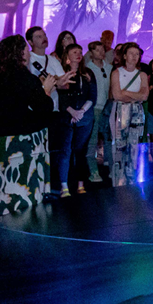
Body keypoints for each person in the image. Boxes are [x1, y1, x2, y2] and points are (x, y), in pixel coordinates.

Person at [0, 36, 56, 215]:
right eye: (26, 49)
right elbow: (43, 107)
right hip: (21, 142)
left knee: (2, 183)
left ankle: (1, 213)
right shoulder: (23, 77)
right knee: (24, 186)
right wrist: (46, 90)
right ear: (20, 53)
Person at [26, 26, 73, 193]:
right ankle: (35, 186)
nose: (44, 38)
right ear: (30, 42)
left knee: (53, 150)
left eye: (44, 35)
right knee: (37, 149)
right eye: (39, 36)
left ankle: (50, 186)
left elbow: (65, 84)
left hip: (53, 111)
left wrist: (59, 83)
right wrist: (45, 84)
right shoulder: (28, 59)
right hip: (34, 112)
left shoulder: (52, 60)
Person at [56, 43, 97, 195]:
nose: (79, 54)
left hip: (84, 116)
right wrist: (72, 111)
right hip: (66, 116)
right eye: (74, 52)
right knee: (65, 151)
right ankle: (64, 186)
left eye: (80, 52)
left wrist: (80, 112)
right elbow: (60, 96)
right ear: (67, 55)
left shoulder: (88, 73)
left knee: (80, 151)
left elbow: (93, 95)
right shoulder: (60, 73)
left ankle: (80, 184)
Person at [109, 42, 148, 186]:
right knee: (119, 145)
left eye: (137, 54)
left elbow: (144, 96)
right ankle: (118, 179)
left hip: (137, 112)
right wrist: (134, 96)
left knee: (134, 145)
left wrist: (126, 93)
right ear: (124, 56)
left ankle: (132, 178)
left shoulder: (142, 74)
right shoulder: (117, 72)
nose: (134, 57)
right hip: (120, 110)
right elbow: (117, 95)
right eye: (131, 54)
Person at [85, 41, 112, 183]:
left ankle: (111, 168)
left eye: (103, 50)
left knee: (109, 138)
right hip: (94, 107)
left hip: (109, 107)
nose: (101, 53)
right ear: (91, 52)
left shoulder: (110, 68)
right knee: (92, 139)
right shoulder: (87, 69)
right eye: (98, 50)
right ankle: (93, 171)